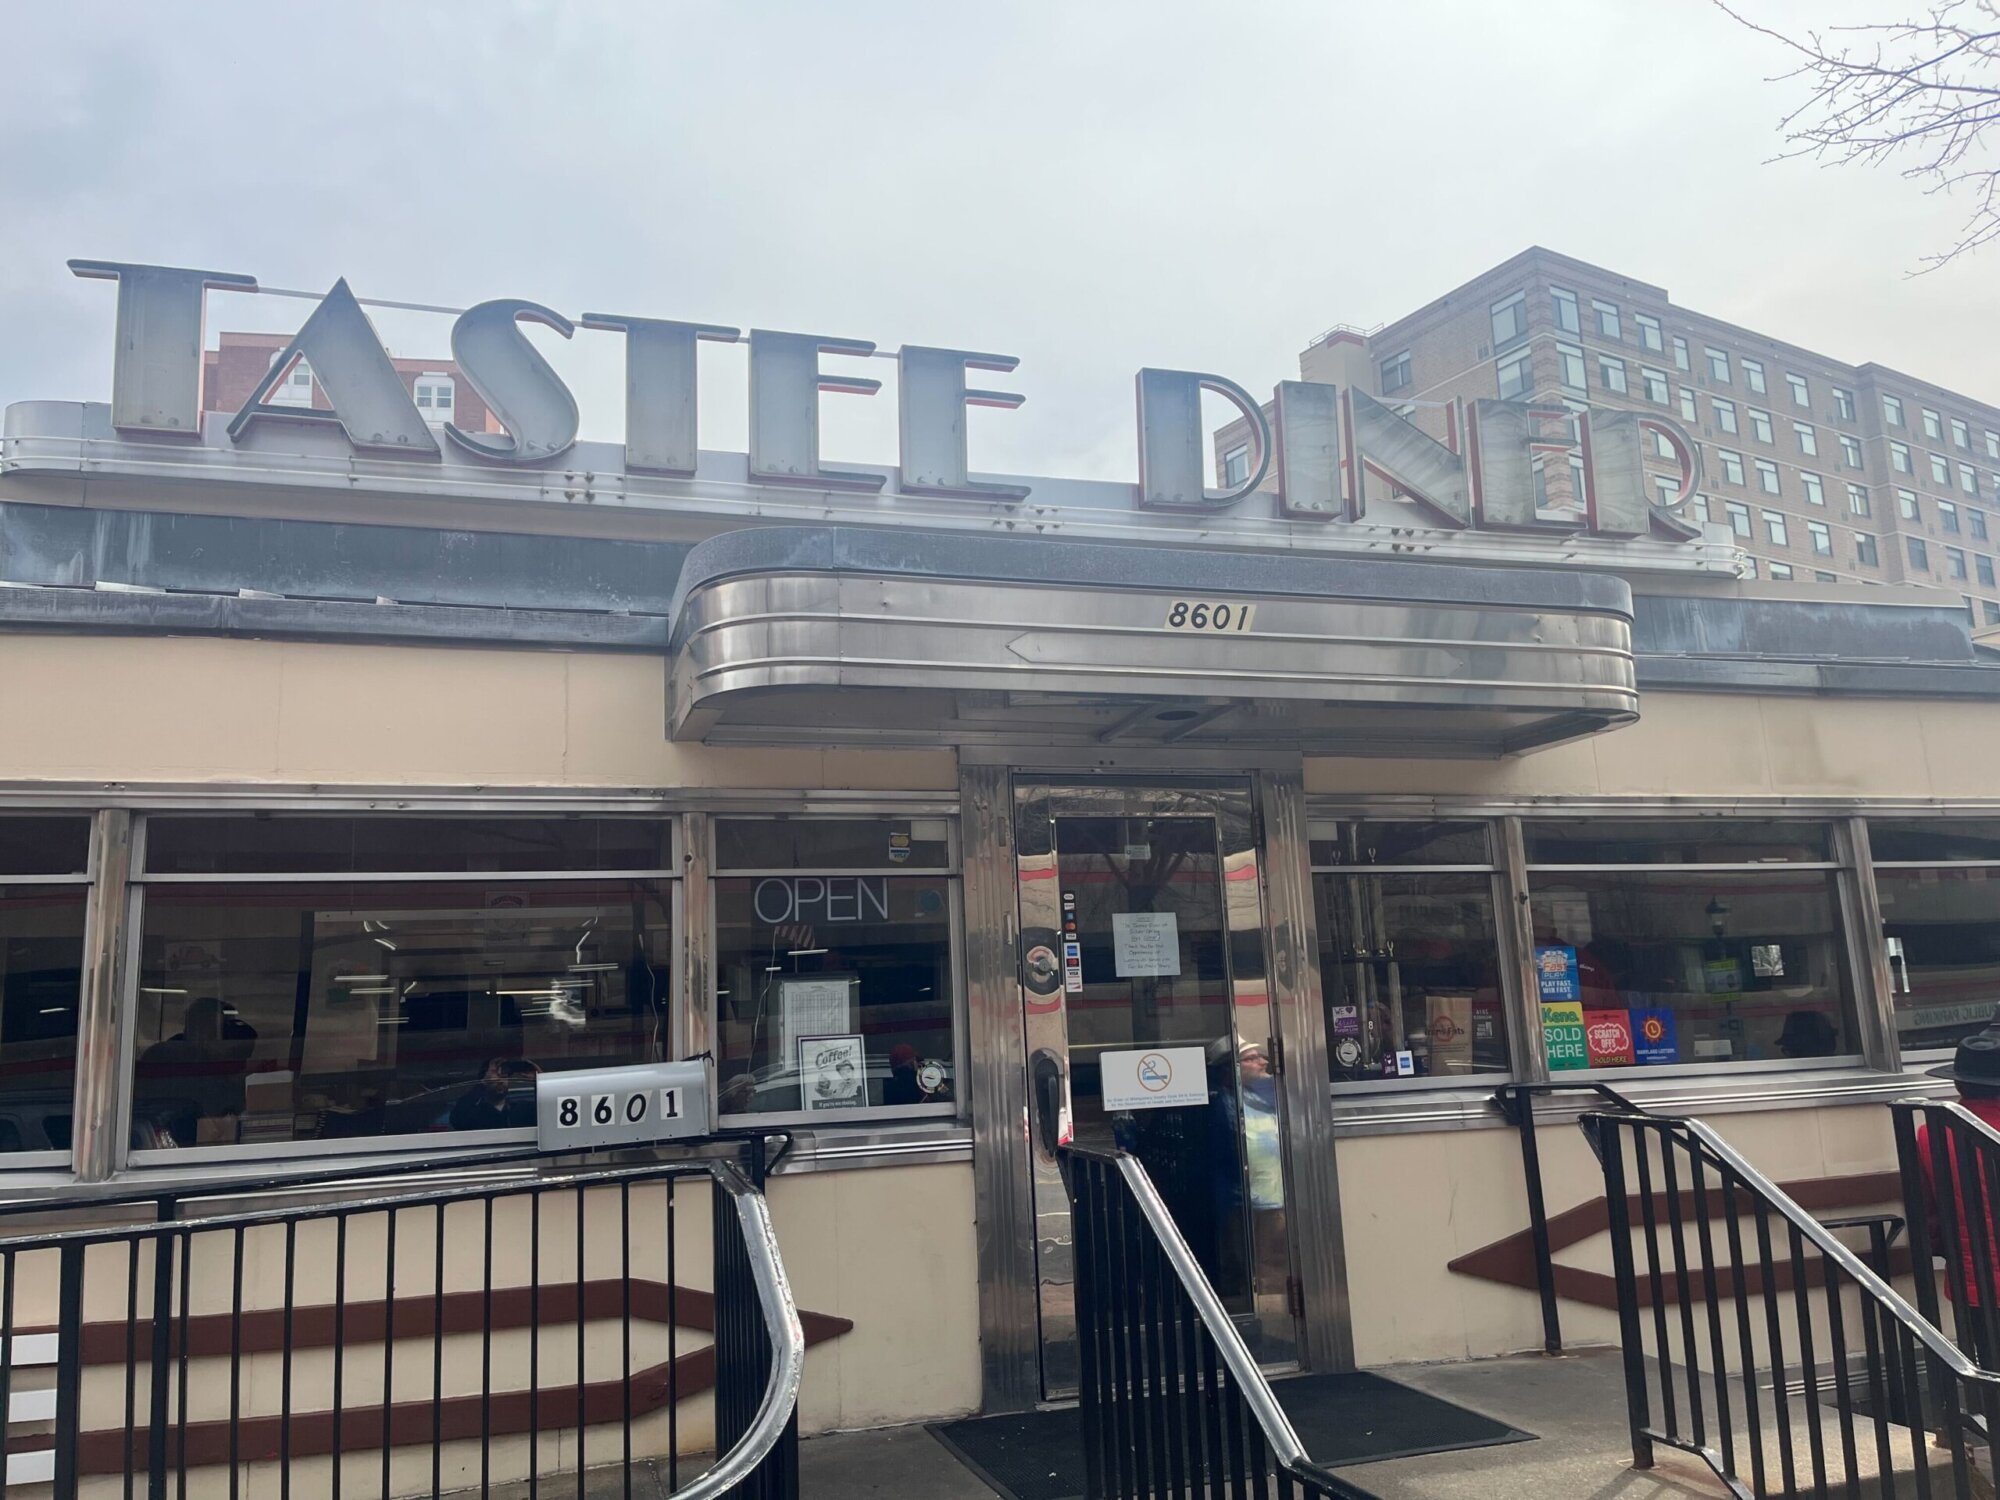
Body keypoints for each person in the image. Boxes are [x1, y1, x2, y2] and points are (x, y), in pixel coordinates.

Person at [1919, 1025, 2000, 1494]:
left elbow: (1931, 1211)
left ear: (1957, 1083)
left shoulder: (1933, 1134)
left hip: (1971, 1279)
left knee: (1990, 1372)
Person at [132, 997, 258, 1146]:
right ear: (188, 1027)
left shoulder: (223, 1065)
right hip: (161, 1139)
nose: (203, 1036)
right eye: (199, 1027)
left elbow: (235, 1109)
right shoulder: (161, 1056)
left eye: (212, 1031)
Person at [449, 1057, 540, 1131]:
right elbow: (457, 1120)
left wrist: (540, 1080)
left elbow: (547, 1115)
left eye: (504, 1075)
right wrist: (483, 1083)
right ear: (484, 1078)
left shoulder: (523, 1109)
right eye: (495, 1075)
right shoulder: (473, 1113)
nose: (500, 1081)